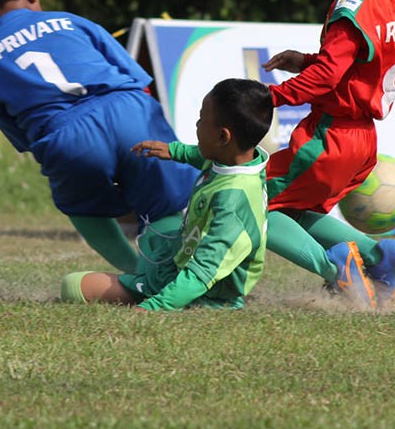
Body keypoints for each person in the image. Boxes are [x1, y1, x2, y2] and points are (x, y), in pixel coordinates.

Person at [0, 0, 198, 272]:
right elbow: (138, 80)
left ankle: (135, 276)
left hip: (63, 133)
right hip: (126, 109)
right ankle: (178, 271)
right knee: (166, 200)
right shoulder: (70, 21)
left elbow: (24, 138)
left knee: (82, 208)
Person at [262, 0, 395, 308]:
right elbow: (355, 66)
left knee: (252, 201)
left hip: (328, 137)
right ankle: (376, 254)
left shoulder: (353, 2)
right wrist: (304, 60)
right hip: (362, 140)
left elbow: (330, 75)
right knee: (292, 212)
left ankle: (339, 271)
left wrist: (269, 99)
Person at [61, 78, 272, 311]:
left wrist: (154, 307)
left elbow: (203, 272)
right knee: (154, 237)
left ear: (223, 137)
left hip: (207, 295)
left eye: (202, 119)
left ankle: (146, 289)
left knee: (73, 286)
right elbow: (208, 157)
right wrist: (174, 151)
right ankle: (146, 278)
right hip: (180, 263)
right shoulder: (244, 161)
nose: (197, 123)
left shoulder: (232, 202)